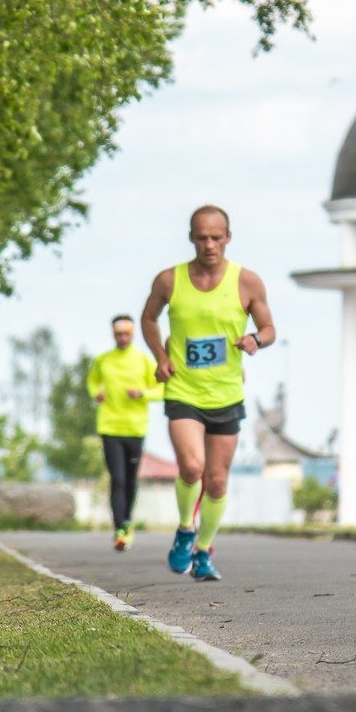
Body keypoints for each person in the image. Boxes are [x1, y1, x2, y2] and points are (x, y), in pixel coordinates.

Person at [141, 205, 277, 583]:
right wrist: (161, 356)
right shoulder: (170, 280)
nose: (210, 244)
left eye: (217, 237)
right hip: (183, 390)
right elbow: (148, 318)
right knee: (192, 467)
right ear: (191, 238)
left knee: (216, 481)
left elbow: (269, 328)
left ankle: (203, 551)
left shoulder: (247, 282)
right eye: (202, 237)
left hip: (227, 394)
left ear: (228, 237)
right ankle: (186, 528)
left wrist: (255, 339)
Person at [88, 314, 163, 551]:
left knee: (130, 479)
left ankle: (127, 522)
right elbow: (92, 382)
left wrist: (142, 394)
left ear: (132, 334)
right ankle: (119, 528)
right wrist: (96, 393)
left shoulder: (143, 361)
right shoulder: (102, 361)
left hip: (135, 428)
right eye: (118, 334)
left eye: (126, 334)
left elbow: (161, 389)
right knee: (117, 478)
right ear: (113, 334)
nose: (122, 338)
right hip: (110, 427)